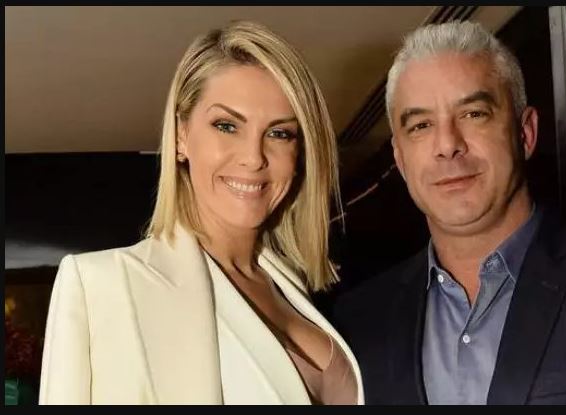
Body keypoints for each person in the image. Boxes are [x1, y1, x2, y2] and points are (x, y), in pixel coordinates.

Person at [330, 20, 566, 404]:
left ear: (526, 133)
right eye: (421, 125)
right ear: (400, 159)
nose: (447, 145)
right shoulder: (358, 323)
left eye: (473, 114)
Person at [39, 20, 362, 405]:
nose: (253, 157)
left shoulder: (294, 289)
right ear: (181, 136)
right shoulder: (103, 286)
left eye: (279, 133)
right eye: (227, 126)